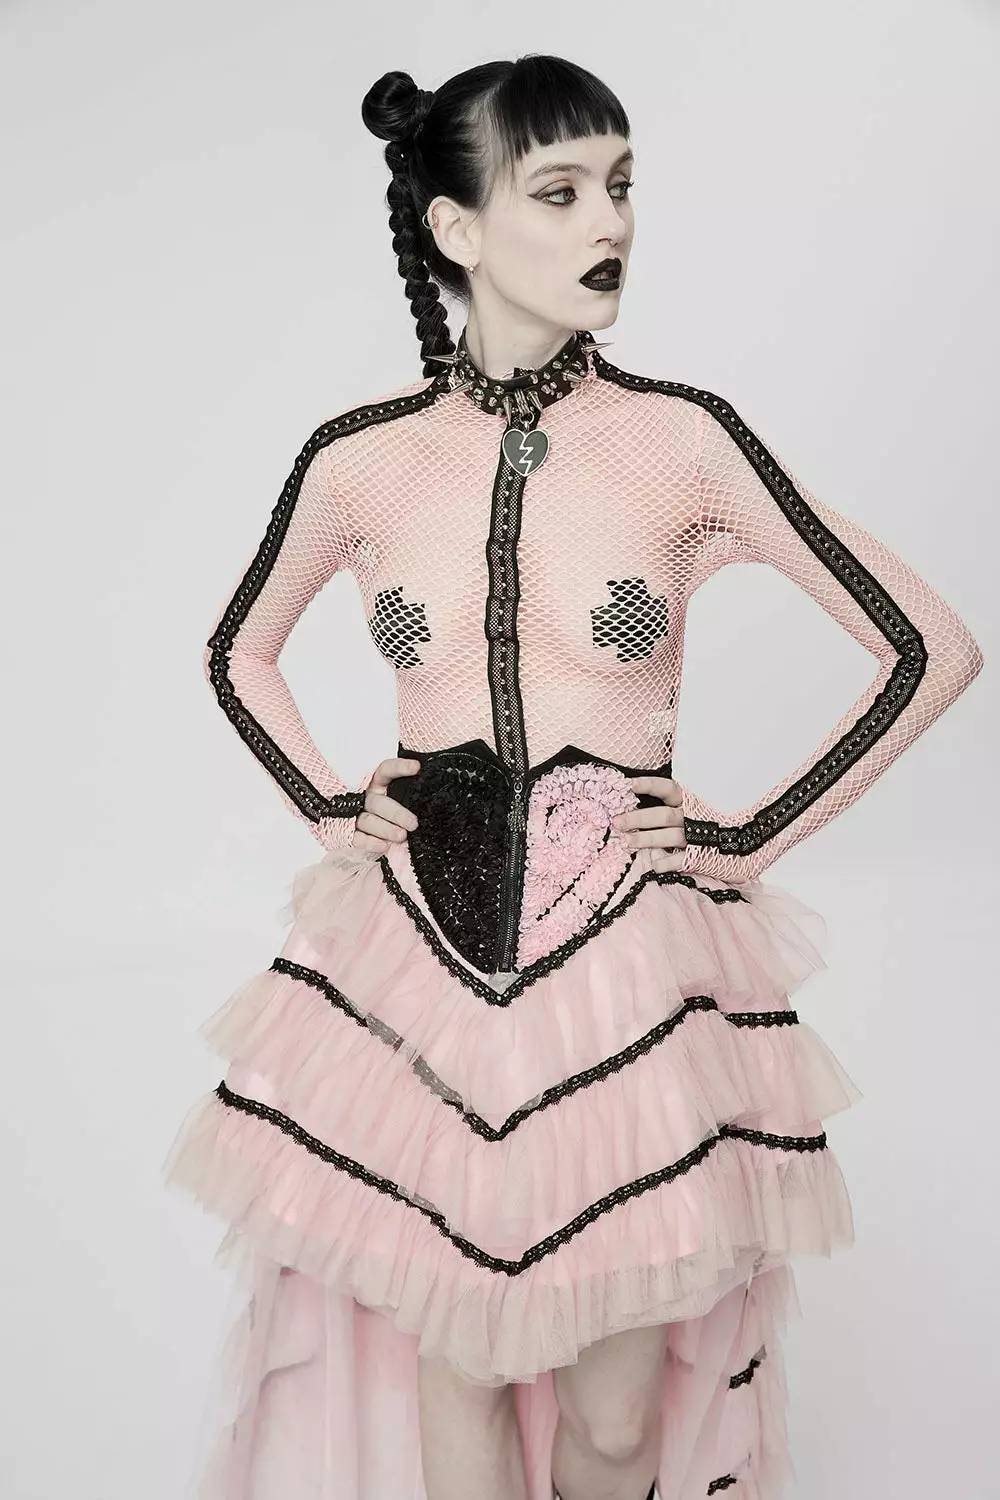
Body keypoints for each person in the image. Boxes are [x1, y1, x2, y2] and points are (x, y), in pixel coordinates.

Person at [162, 53, 984, 1500]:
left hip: (628, 973)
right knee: (458, 1371)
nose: (609, 220)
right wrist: (335, 808)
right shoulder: (360, 462)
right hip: (422, 963)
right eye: (559, 191)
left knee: (614, 1420)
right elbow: (240, 654)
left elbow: (929, 646)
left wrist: (752, 832)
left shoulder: (683, 440)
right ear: (457, 227)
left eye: (621, 186)